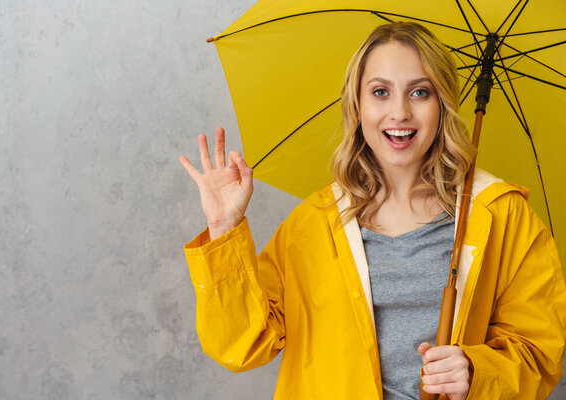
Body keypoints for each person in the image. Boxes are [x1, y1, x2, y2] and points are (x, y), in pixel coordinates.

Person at [180, 22, 566, 399]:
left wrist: (475, 372)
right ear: (357, 104)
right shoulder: (315, 222)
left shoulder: (502, 215)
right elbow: (244, 343)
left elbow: (539, 352)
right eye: (380, 91)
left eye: (420, 93)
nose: (399, 112)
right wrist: (223, 228)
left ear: (443, 105)